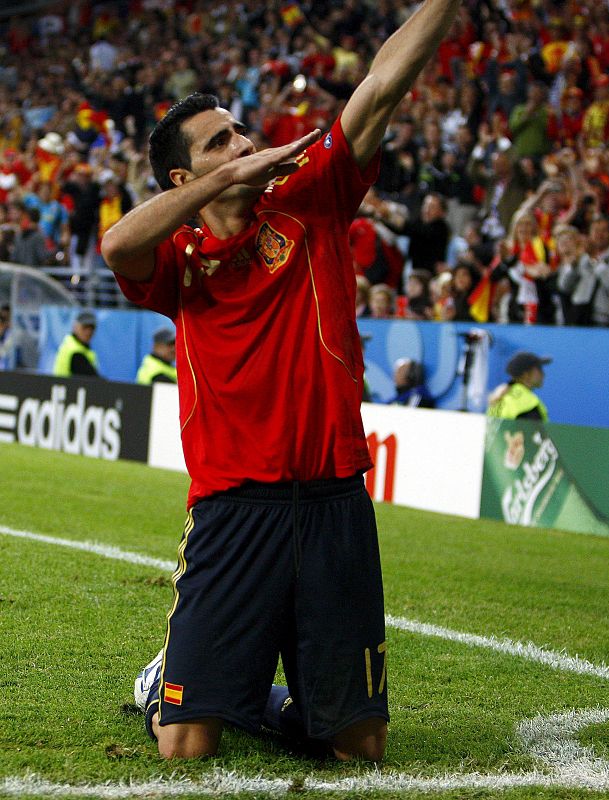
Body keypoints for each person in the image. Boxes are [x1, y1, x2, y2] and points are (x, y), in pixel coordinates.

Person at [101, 0, 461, 762]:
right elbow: (116, 244)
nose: (244, 143)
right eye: (220, 142)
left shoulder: (311, 197)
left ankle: (260, 700)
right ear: (182, 175)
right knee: (184, 747)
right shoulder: (178, 257)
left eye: (240, 131)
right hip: (233, 504)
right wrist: (227, 178)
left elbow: (381, 86)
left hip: (332, 495)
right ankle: (179, 683)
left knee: (358, 748)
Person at [487, 351, 552, 421]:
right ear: (526, 374)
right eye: (539, 369)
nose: (543, 374)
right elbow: (535, 431)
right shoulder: (526, 401)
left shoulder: (501, 397)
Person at [52, 310, 100, 377]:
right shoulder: (75, 352)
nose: (88, 332)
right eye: (85, 327)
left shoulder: (71, 344)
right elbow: (94, 380)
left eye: (92, 328)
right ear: (75, 327)